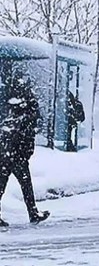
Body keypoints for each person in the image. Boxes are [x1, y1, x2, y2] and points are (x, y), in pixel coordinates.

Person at [0, 66, 49, 226]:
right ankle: (33, 212)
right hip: (14, 152)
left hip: (9, 151)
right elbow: (27, 128)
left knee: (4, 182)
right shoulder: (24, 110)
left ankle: (33, 212)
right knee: (24, 184)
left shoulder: (12, 103)